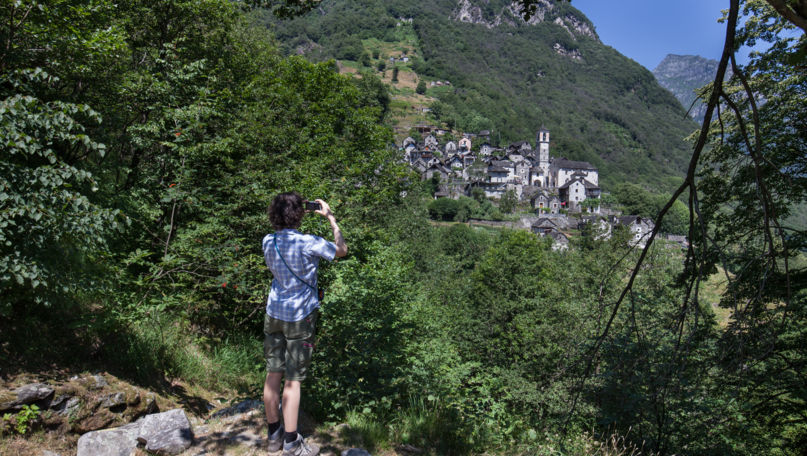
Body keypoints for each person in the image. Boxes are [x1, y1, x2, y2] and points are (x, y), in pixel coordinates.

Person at [262, 192, 347, 456]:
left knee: (273, 374)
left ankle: (273, 436)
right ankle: (291, 442)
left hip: (274, 312)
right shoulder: (308, 242)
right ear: (300, 214)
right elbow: (341, 250)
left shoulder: (268, 240)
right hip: (300, 316)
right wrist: (331, 219)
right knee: (293, 380)